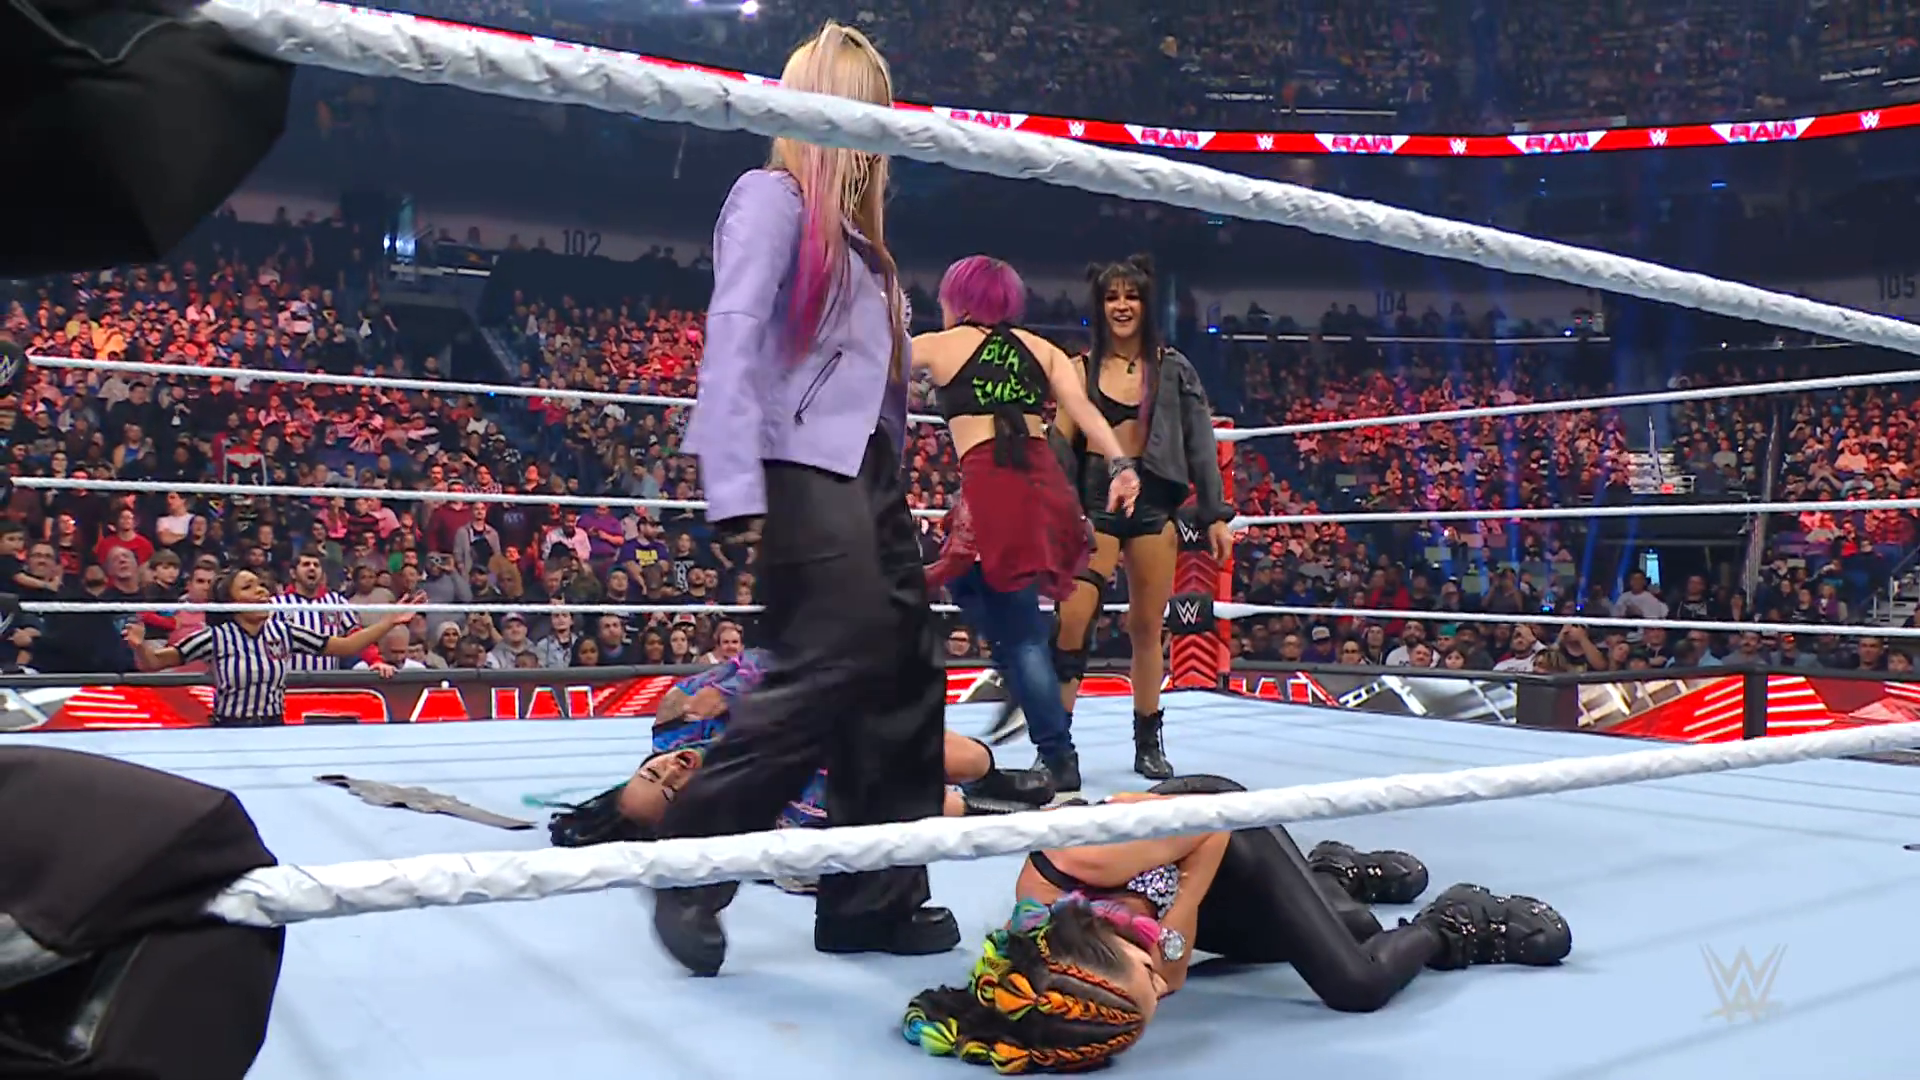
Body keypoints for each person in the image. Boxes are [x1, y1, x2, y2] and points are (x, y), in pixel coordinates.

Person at [653, 21, 953, 978]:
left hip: (869, 472)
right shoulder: (772, 197)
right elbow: (735, 325)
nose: (876, 130)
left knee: (907, 668)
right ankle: (691, 863)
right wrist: (732, 476)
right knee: (834, 656)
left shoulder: (866, 249)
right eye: (863, 108)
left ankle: (871, 899)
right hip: (800, 464)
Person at [902, 775, 1571, 1072]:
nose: (1161, 987)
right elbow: (1170, 969)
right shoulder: (1082, 972)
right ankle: (1331, 872)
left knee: (1355, 980)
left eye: (1143, 980)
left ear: (1106, 949)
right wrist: (1168, 942)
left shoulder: (1083, 861)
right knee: (1356, 926)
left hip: (1218, 825)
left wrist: (1176, 914)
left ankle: (1455, 920)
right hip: (1183, 880)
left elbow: (1211, 829)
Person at [546, 647, 1057, 890]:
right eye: (672, 790)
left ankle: (991, 777)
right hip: (855, 754)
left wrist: (731, 692)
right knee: (925, 802)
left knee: (969, 758)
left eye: (653, 773)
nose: (673, 770)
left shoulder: (678, 720)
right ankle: (995, 811)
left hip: (850, 705)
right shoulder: (746, 808)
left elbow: (766, 658)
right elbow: (823, 816)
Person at [918, 255, 1142, 795]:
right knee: (965, 581)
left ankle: (1057, 754)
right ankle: (1020, 674)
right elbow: (1085, 412)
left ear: (959, 298)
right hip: (1042, 485)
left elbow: (865, 364)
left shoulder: (940, 346)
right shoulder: (1043, 349)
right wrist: (1121, 464)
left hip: (996, 487)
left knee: (1018, 629)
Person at [1051, 256, 1234, 782]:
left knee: (1147, 627)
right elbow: (1060, 443)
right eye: (1112, 297)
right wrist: (1058, 510)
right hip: (1095, 504)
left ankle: (1148, 740)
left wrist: (1215, 514)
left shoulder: (1172, 368)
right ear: (1100, 305)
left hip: (1154, 504)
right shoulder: (1081, 368)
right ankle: (1056, 746)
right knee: (1071, 621)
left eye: (1130, 296)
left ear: (1146, 303)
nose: (1122, 305)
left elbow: (1200, 443)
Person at [124, 569, 414, 726]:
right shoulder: (216, 637)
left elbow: (347, 645)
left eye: (261, 585)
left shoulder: (283, 631)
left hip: (275, 725)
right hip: (231, 728)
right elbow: (155, 662)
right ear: (231, 603)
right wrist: (139, 646)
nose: (261, 590)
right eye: (248, 587)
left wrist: (389, 621)